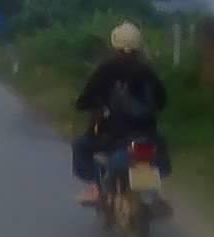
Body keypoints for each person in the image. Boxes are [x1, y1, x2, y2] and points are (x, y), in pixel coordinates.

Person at [71, 22, 171, 206]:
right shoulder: (147, 71)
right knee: (158, 150)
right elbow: (162, 101)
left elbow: (84, 100)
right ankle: (153, 192)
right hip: (148, 137)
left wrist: (88, 105)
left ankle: (96, 187)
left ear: (114, 43)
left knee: (80, 145)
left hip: (114, 137)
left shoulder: (106, 69)